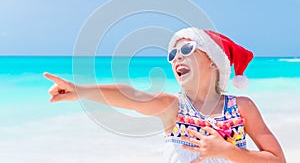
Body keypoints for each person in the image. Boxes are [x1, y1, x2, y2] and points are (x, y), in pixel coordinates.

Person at [44, 27, 286, 163]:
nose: (177, 57)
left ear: (214, 62)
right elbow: (132, 96)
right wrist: (81, 90)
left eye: (187, 49)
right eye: (172, 54)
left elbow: (278, 160)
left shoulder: (241, 107)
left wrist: (227, 151)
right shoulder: (173, 107)